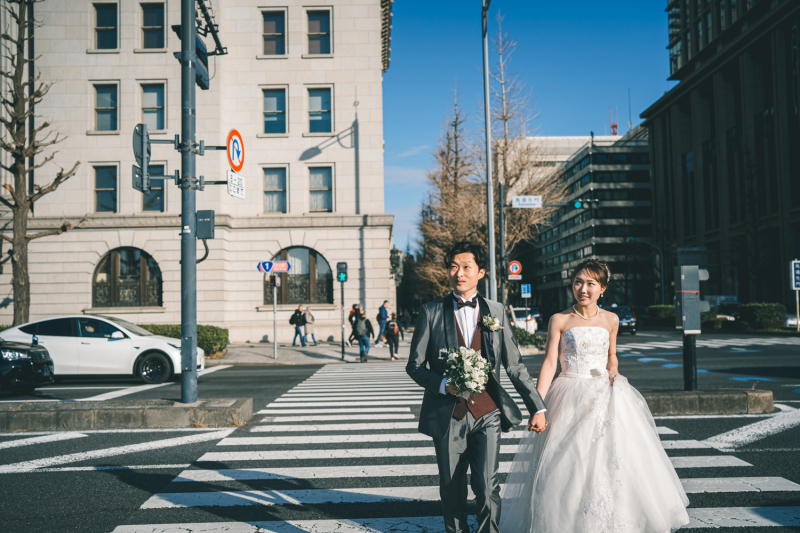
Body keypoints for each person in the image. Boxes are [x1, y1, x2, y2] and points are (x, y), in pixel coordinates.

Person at [499, 260, 690, 532]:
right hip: (567, 393)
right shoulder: (560, 319)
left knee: (607, 462)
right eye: (578, 282)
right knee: (565, 463)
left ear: (603, 288)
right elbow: (550, 363)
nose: (583, 288)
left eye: (590, 283)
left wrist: (614, 374)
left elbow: (612, 357)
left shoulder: (611, 320)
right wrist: (537, 406)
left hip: (603, 396)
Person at [406, 241, 546, 533]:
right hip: (448, 414)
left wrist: (537, 407)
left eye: (466, 267)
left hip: (488, 412)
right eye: (453, 266)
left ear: (481, 272)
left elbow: (515, 364)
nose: (459, 273)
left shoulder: (496, 310)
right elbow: (415, 366)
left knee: (486, 486)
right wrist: (444, 385)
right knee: (452, 488)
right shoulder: (431, 311)